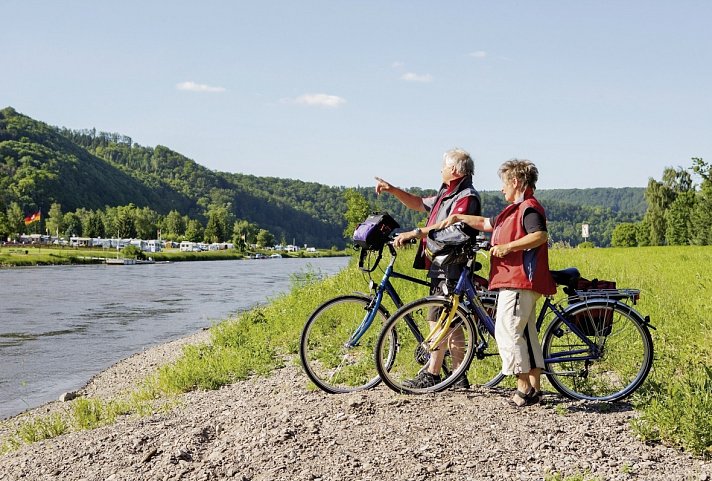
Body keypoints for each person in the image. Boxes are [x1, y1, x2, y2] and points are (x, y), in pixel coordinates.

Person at [436, 159, 555, 406]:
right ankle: (535, 387)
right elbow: (487, 224)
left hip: (519, 279)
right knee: (525, 334)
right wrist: (459, 216)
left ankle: (523, 388)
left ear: (516, 182)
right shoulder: (513, 210)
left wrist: (507, 247)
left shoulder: (528, 208)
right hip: (517, 281)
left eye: (504, 183)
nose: (501, 189)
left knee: (507, 331)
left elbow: (540, 235)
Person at [375, 148, 481, 389]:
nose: (440, 170)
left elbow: (458, 230)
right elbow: (417, 203)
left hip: (452, 262)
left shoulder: (466, 197)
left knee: (442, 317)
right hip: (439, 261)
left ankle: (436, 373)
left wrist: (418, 233)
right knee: (445, 318)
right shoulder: (447, 193)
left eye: (443, 166)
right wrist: (392, 190)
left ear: (454, 170)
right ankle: (457, 375)